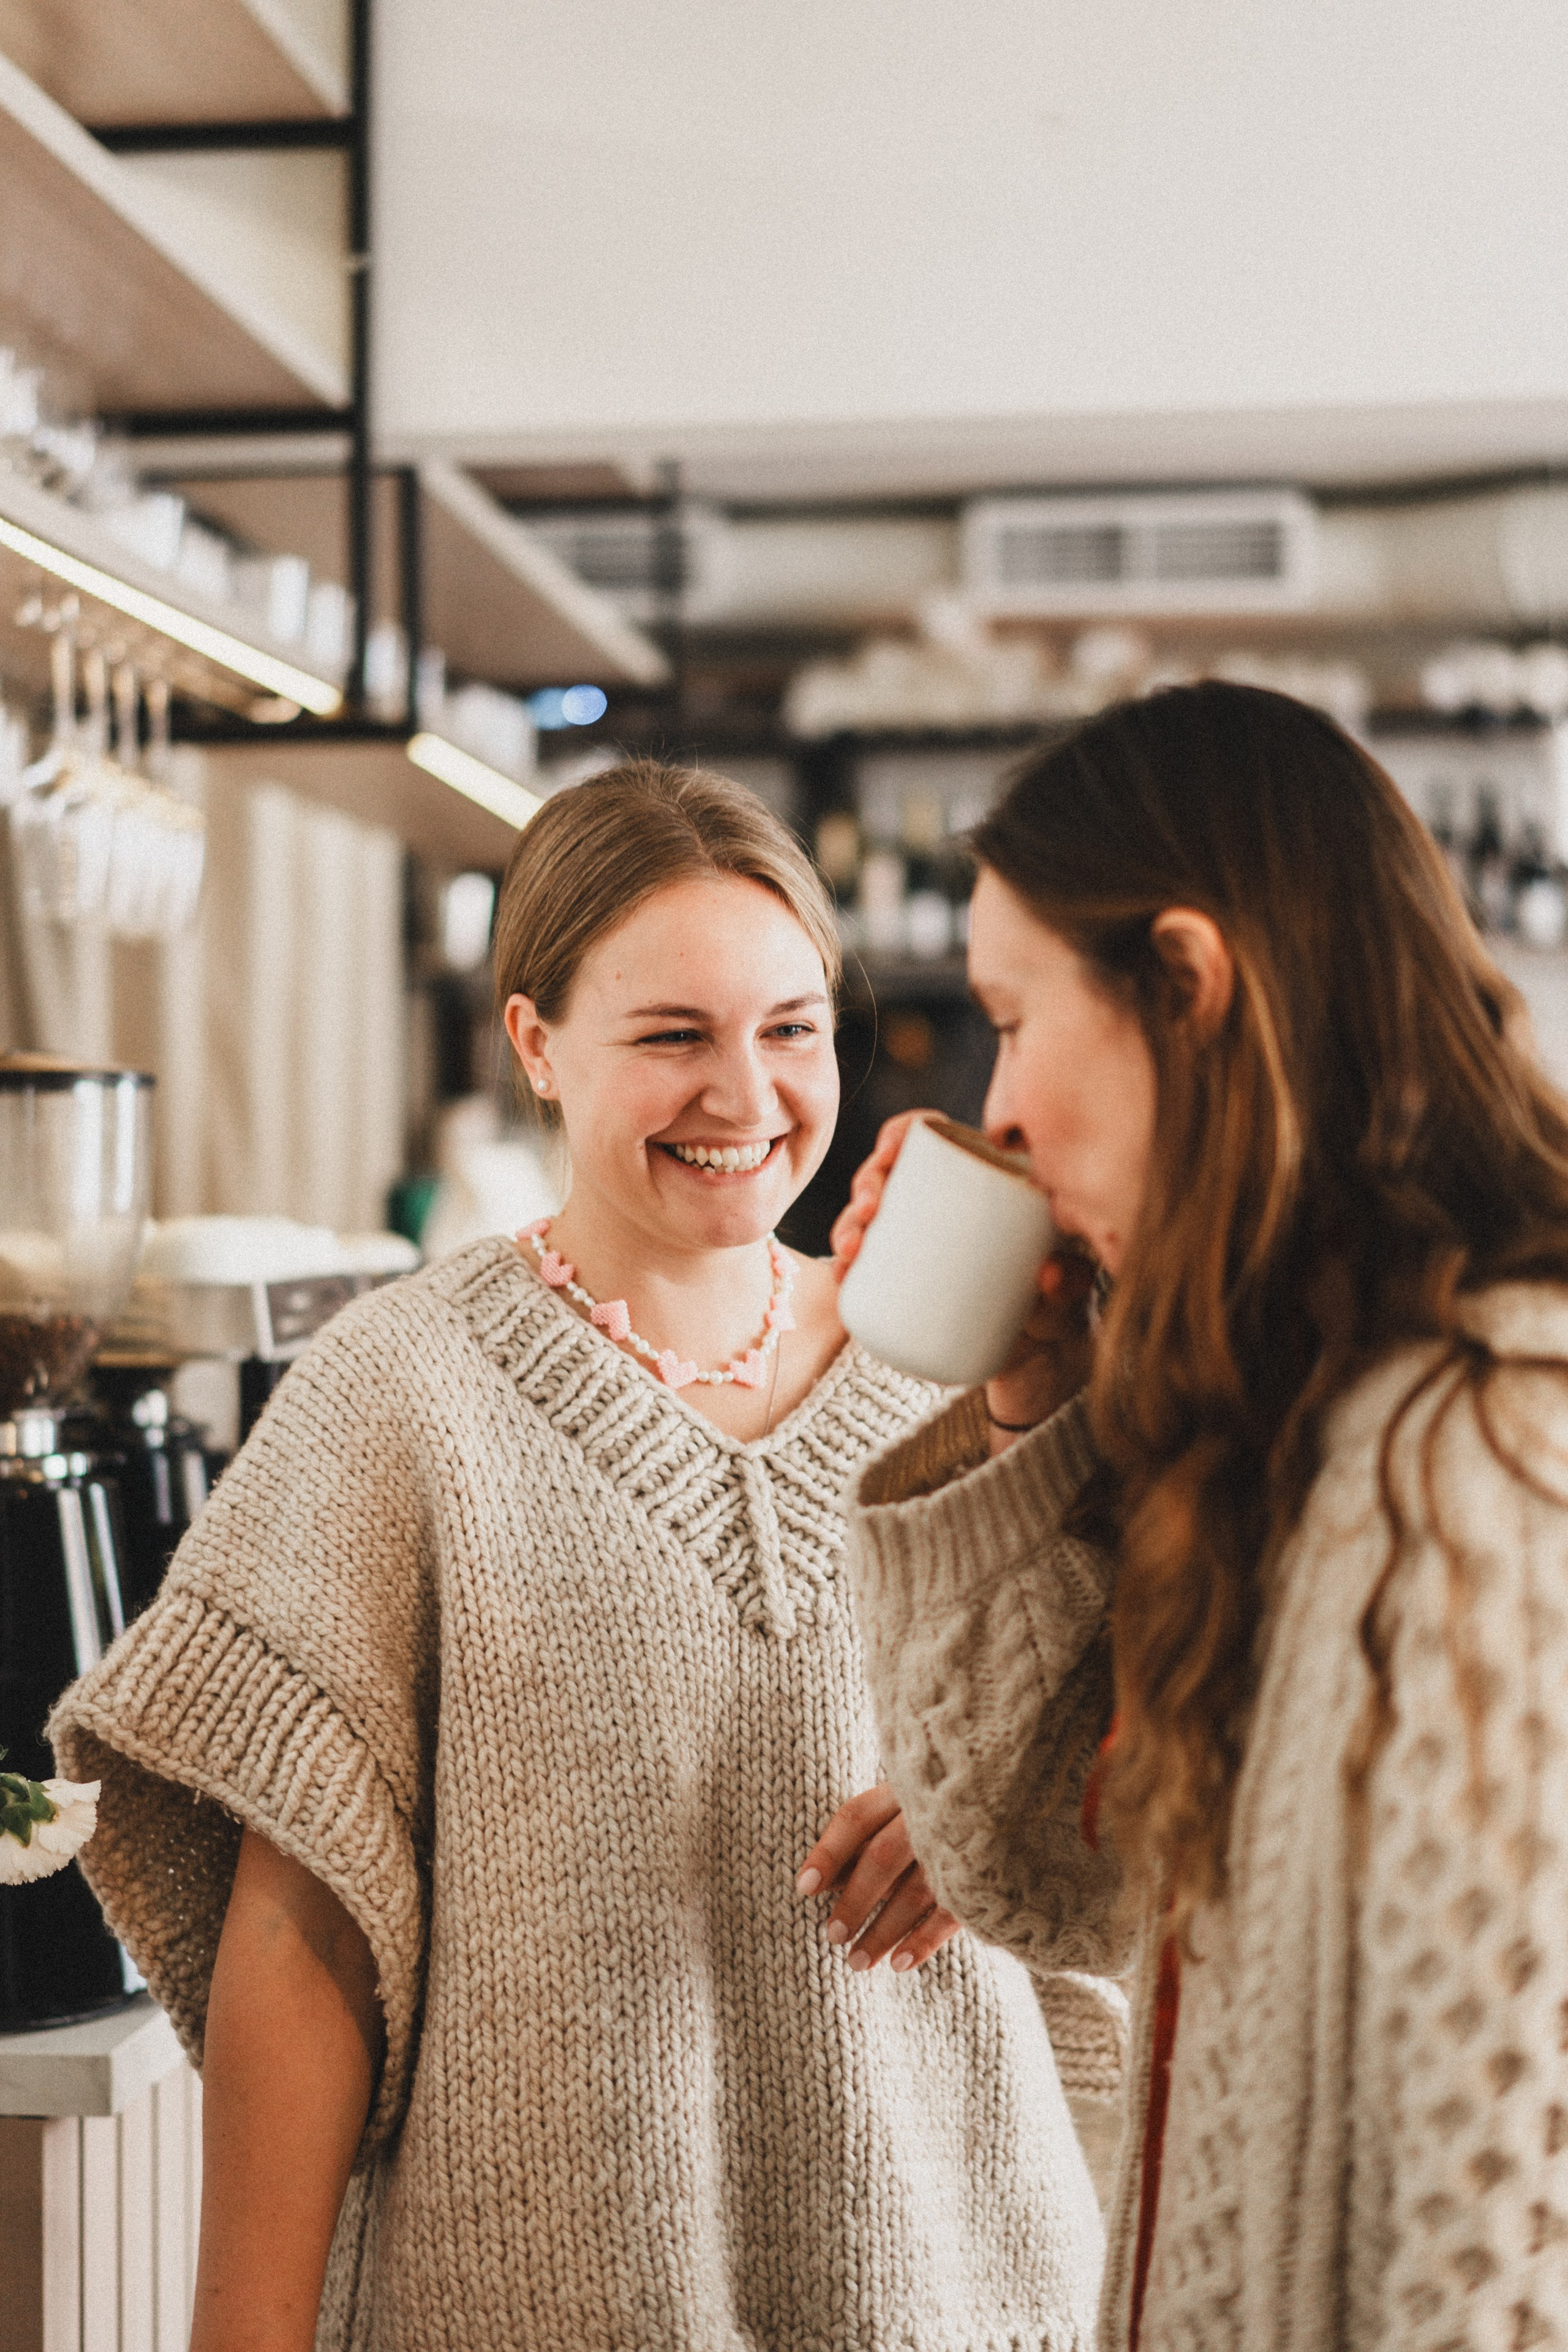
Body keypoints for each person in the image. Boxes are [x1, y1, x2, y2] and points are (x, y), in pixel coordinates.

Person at [52, 761, 1108, 2352]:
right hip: (545, 2294)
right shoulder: (394, 1391)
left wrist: (1002, 1815)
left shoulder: (965, 1370)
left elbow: (1148, 1810)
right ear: (538, 1043)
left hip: (967, 2281)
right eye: (672, 1036)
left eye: (791, 1028)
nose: (746, 1098)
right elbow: (300, 1929)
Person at [823, 684, 1568, 2352]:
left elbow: (1503, 2243)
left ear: (1186, 985)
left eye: (1016, 1018)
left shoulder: (1490, 1458)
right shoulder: (1310, 1425)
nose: (995, 1106)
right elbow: (1040, 1875)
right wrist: (1034, 1392)